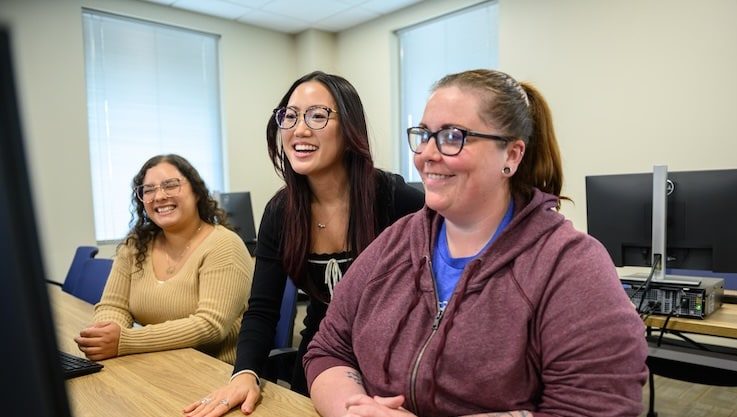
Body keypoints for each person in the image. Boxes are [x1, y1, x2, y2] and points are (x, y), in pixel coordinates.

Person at [304, 69, 649, 417]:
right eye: (424, 134)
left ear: (511, 156)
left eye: (453, 136)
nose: (427, 154)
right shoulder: (396, 242)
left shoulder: (570, 265)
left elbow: (598, 408)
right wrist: (352, 410)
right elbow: (329, 348)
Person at [183, 71, 425, 417]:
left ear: (349, 128)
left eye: (317, 115)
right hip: (321, 361)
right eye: (290, 116)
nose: (299, 129)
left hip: (392, 362)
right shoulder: (282, 212)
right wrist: (245, 373)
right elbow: (262, 310)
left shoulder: (393, 198)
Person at [75, 154, 254, 365]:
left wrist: (126, 340)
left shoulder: (224, 245)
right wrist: (104, 336)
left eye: (170, 185)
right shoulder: (135, 245)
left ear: (196, 192)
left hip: (213, 373)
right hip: (155, 364)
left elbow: (211, 325)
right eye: (148, 190)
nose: (159, 196)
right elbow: (113, 306)